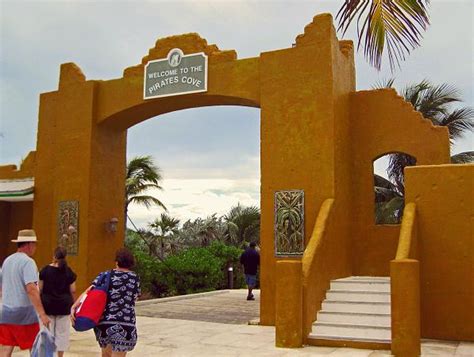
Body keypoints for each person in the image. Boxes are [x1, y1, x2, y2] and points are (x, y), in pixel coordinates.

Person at [71, 248, 140, 357]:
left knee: (105, 354)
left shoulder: (106, 275)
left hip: (105, 323)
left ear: (117, 262)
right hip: (125, 323)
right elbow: (135, 297)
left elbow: (89, 291)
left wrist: (74, 306)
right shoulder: (135, 278)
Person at [0, 229, 50, 356]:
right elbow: (31, 289)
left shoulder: (7, 261)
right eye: (34, 244)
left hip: (6, 311)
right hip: (24, 314)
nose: (35, 248)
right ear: (29, 245)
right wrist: (42, 314)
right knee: (34, 347)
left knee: (6, 347)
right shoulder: (28, 262)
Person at [39, 246, 77, 357]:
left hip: (48, 306)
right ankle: (60, 355)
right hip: (64, 307)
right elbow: (73, 290)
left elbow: (40, 289)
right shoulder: (68, 271)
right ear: (65, 257)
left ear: (54, 256)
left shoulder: (45, 270)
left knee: (48, 333)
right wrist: (74, 306)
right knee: (62, 333)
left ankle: (48, 355)